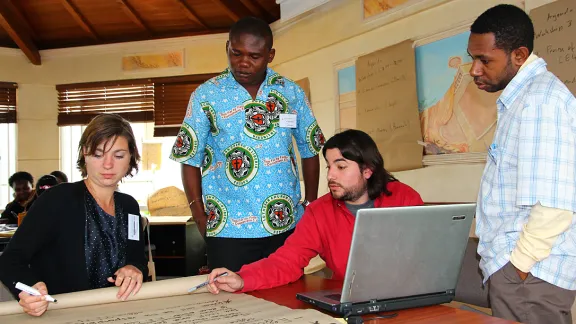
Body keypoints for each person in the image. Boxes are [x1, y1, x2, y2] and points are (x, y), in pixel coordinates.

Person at [170, 16, 324, 272]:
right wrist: (197, 210)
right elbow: (189, 157)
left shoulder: (291, 92)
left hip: (285, 223)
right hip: (228, 228)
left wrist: (310, 204)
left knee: (285, 300)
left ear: (270, 55)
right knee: (235, 306)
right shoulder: (206, 95)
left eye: (254, 56)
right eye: (236, 53)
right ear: (227, 48)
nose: (243, 63)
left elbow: (310, 148)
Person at [204, 129, 423, 293]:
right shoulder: (320, 212)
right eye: (329, 166)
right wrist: (242, 279)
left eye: (341, 166)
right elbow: (286, 262)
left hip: (411, 298)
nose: (330, 176)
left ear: (367, 170)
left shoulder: (404, 198)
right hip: (353, 303)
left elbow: (427, 257)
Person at [469, 5, 576, 324]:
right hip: (523, 276)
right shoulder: (523, 100)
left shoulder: (540, 102)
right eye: (472, 58)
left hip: (529, 277)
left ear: (519, 54)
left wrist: (518, 267)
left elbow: (554, 205)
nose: (474, 70)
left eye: (484, 60)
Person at [0, 114, 148, 317]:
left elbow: (137, 258)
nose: (107, 164)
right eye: (98, 154)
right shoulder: (57, 199)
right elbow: (10, 260)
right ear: (85, 154)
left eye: (118, 155)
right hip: (64, 315)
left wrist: (134, 268)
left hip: (119, 313)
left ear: (131, 156)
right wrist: (28, 288)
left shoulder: (130, 206)